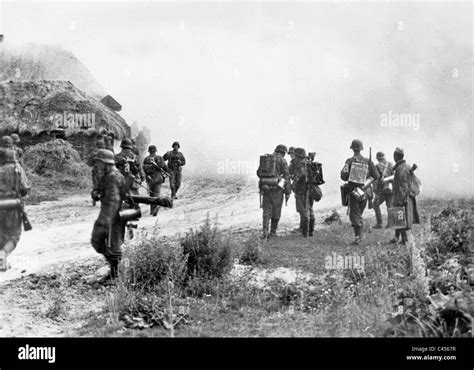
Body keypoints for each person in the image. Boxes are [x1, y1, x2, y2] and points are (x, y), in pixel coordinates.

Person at [90, 149, 128, 282]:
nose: (97, 165)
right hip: (109, 213)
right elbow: (98, 190)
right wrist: (96, 194)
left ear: (105, 163)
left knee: (110, 245)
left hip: (112, 215)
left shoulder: (113, 177)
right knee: (99, 242)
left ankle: (115, 274)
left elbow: (114, 200)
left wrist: (106, 220)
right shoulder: (108, 175)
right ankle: (115, 270)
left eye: (99, 162)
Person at [340, 139, 379, 245]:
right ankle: (359, 236)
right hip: (365, 192)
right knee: (358, 214)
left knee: (355, 215)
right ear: (361, 149)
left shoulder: (349, 161)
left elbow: (343, 176)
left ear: (352, 149)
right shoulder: (368, 161)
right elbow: (376, 176)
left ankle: (359, 238)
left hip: (355, 192)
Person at [0, 142, 30, 271]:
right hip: (14, 205)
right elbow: (24, 189)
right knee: (14, 234)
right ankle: (3, 254)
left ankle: (3, 260)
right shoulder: (18, 169)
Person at [257, 144, 291, 239]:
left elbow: (258, 173)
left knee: (266, 211)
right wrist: (288, 191)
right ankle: (273, 232)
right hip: (277, 190)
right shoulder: (283, 160)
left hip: (266, 188)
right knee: (276, 210)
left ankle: (265, 232)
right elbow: (287, 176)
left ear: (276, 150)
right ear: (283, 152)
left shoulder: (266, 159)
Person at [390, 147, 420, 245]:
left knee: (400, 217)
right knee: (400, 217)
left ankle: (404, 239)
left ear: (396, 157)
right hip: (405, 195)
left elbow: (402, 185)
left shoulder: (401, 169)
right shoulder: (406, 166)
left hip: (402, 196)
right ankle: (396, 237)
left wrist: (400, 199)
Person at [291, 148, 316, 237]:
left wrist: (294, 181)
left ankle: (305, 233)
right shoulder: (308, 163)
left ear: (298, 156)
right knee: (310, 209)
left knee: (304, 210)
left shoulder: (301, 164)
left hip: (302, 190)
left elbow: (301, 175)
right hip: (311, 189)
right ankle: (311, 231)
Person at [143, 145, 169, 216]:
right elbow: (165, 167)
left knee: (151, 195)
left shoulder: (146, 159)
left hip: (150, 179)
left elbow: (144, 169)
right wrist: (166, 173)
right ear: (155, 151)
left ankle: (152, 211)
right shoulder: (159, 158)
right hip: (158, 179)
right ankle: (154, 211)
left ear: (149, 151)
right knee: (156, 195)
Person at [372, 151, 394, 228]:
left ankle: (379, 223)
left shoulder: (376, 166)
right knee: (390, 206)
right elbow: (395, 176)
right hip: (390, 190)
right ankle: (390, 224)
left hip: (381, 191)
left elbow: (375, 180)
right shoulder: (391, 164)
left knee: (375, 204)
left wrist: (375, 191)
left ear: (378, 158)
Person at [87, 140, 106, 206]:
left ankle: (94, 200)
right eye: (103, 144)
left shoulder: (93, 153)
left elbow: (89, 163)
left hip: (96, 172)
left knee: (95, 186)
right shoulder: (106, 153)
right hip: (104, 172)